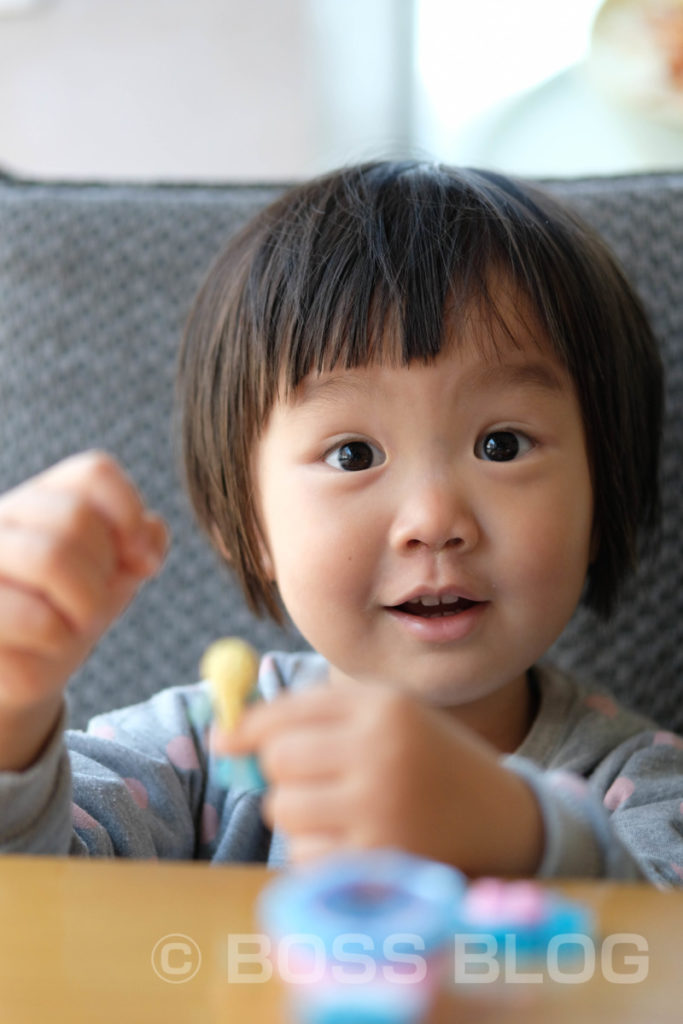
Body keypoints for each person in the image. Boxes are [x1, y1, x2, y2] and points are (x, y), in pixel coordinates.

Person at [0, 162, 680, 885]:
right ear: (247, 521)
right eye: (352, 454)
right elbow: (37, 894)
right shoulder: (204, 754)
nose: (432, 521)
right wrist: (15, 708)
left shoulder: (639, 786)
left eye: (500, 445)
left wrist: (520, 834)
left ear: (602, 499)